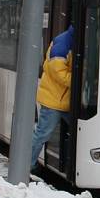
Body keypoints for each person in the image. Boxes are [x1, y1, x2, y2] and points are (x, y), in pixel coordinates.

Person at [31, 25, 74, 170]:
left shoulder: (73, 39)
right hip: (54, 100)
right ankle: (27, 165)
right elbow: (58, 73)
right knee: (42, 134)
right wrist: (81, 80)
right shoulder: (63, 43)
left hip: (67, 101)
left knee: (81, 132)